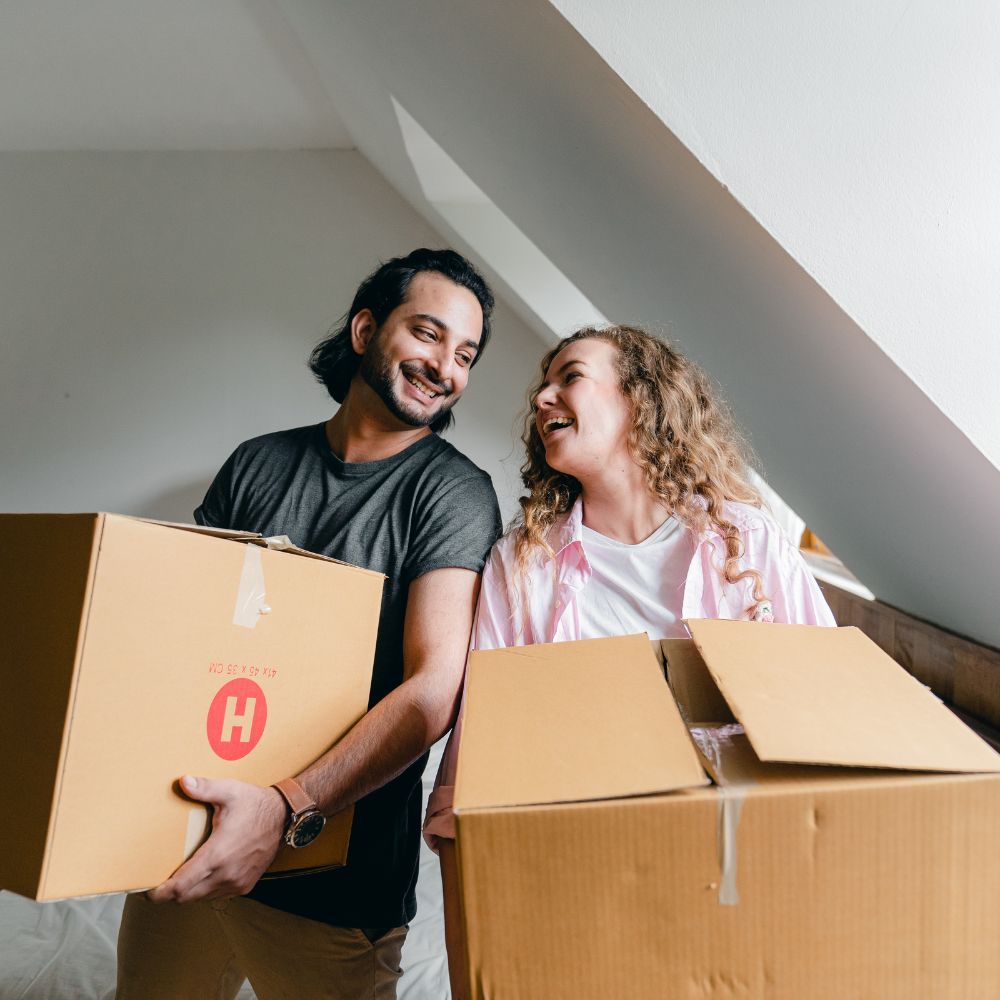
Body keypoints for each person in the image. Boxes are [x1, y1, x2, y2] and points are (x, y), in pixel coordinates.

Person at [116, 248, 503, 1000]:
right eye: (427, 334)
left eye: (464, 354)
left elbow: (432, 692)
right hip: (191, 841)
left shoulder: (453, 494)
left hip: (336, 885)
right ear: (365, 329)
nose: (445, 367)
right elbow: (187, 642)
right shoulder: (256, 464)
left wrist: (286, 806)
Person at [424, 324, 835, 998]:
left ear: (640, 399)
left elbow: (832, 711)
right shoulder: (523, 566)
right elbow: (476, 768)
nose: (543, 397)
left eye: (571, 376)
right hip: (582, 882)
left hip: (740, 877)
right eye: (544, 383)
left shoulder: (749, 543)